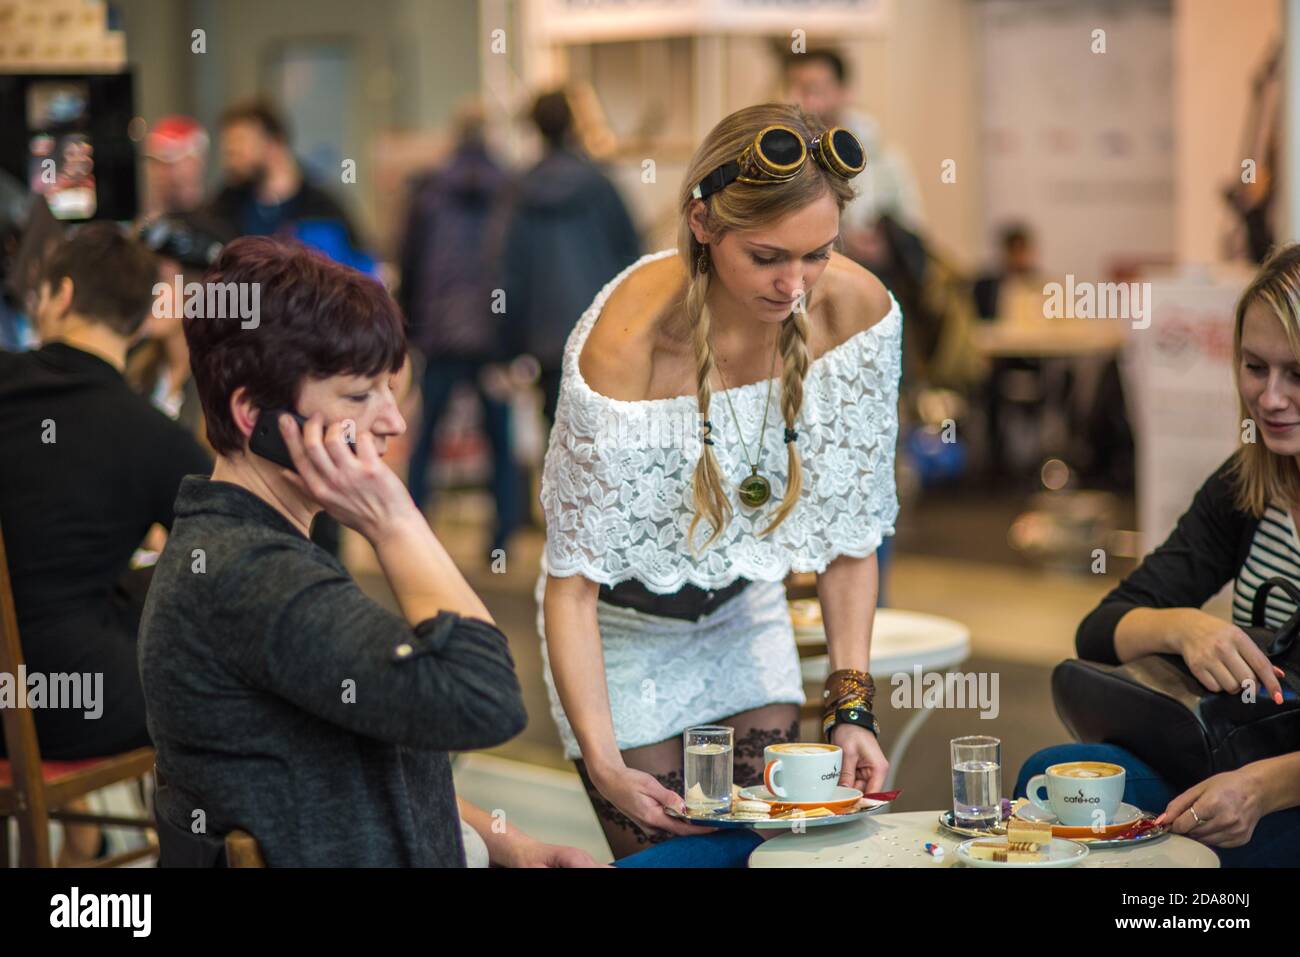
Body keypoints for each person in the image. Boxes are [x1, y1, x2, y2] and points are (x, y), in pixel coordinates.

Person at [536, 102, 901, 859]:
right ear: (702, 223)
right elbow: (568, 587)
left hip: (745, 622)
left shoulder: (857, 312)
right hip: (623, 639)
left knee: (760, 856)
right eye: (768, 257)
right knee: (672, 860)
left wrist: (852, 708)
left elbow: (850, 537)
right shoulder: (626, 345)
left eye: (818, 254)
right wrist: (603, 765)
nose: (794, 285)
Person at [1016, 242, 1300, 866]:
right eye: (1255, 367)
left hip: (1272, 784)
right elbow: (1098, 632)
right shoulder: (1250, 485)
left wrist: (1261, 788)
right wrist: (1187, 626)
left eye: (1297, 374)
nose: (1271, 398)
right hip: (1236, 757)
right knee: (1050, 781)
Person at [398, 102, 522, 555]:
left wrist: (409, 325)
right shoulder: (510, 190)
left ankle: (410, 531)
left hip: (441, 334)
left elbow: (410, 261)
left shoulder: (429, 192)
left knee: (426, 437)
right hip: (492, 336)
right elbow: (516, 268)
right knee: (500, 441)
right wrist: (513, 335)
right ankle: (503, 538)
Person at [498, 89, 641, 425]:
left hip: (546, 341)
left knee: (556, 435)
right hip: (600, 332)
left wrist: (509, 342)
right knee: (603, 434)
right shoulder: (601, 185)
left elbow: (508, 271)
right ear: (574, 123)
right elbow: (630, 254)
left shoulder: (519, 191)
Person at [783, 48, 924, 262]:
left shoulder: (884, 157)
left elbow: (912, 227)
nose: (801, 100)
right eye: (794, 88)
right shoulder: (783, 153)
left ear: (843, 91)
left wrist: (883, 246)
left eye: (812, 89)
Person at [208, 99, 366, 258]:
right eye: (228, 146)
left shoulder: (323, 208)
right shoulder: (224, 206)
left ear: (274, 144)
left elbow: (358, 265)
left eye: (240, 142)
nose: (231, 154)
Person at [142, 115, 210, 219]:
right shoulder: (148, 229)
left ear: (196, 164)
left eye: (169, 164)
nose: (159, 174)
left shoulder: (220, 224)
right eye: (154, 163)